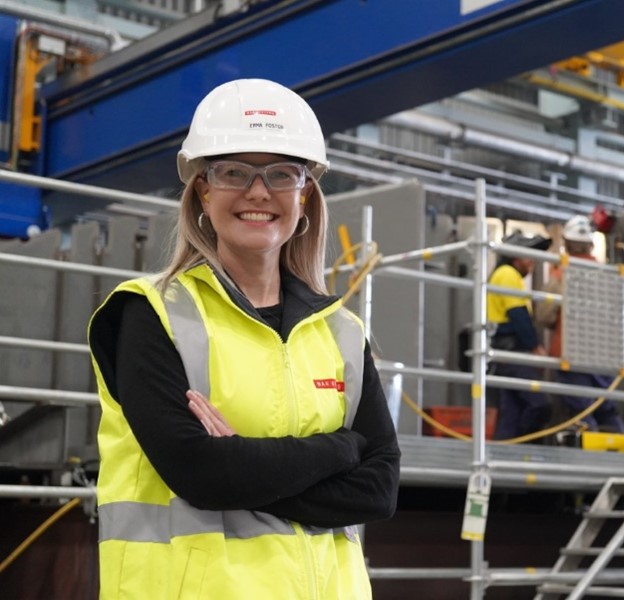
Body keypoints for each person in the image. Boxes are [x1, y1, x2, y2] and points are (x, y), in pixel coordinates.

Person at [87, 79, 401, 599]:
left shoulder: (341, 331)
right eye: (234, 170)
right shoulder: (151, 314)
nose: (259, 191)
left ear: (304, 196)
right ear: (203, 191)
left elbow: (380, 491)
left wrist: (244, 461)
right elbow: (202, 475)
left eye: (281, 173)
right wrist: (340, 448)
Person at [538, 215, 624, 432]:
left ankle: (590, 457)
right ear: (591, 245)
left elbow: (544, 314)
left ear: (567, 245)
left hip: (572, 352)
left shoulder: (561, 273)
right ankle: (621, 449)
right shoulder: (610, 274)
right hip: (605, 356)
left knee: (580, 412)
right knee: (605, 407)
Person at [486, 230, 553, 440]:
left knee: (511, 413)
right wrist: (536, 347)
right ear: (515, 257)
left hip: (503, 354)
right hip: (511, 352)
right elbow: (518, 316)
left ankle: (505, 455)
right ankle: (524, 448)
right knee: (539, 405)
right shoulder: (507, 274)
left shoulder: (504, 274)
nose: (532, 262)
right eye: (528, 256)